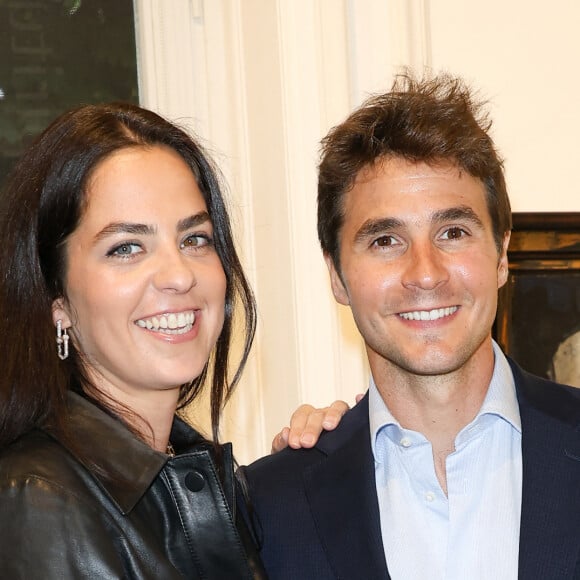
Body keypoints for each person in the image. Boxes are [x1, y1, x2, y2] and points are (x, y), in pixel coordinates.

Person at [241, 73, 580, 579]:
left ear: (502, 254)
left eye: (452, 232)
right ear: (336, 275)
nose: (425, 273)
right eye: (385, 241)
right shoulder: (268, 508)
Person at [0, 101, 346, 578]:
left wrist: (329, 462)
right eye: (126, 247)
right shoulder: (37, 499)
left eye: (195, 239)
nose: (179, 275)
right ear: (56, 298)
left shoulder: (200, 480)